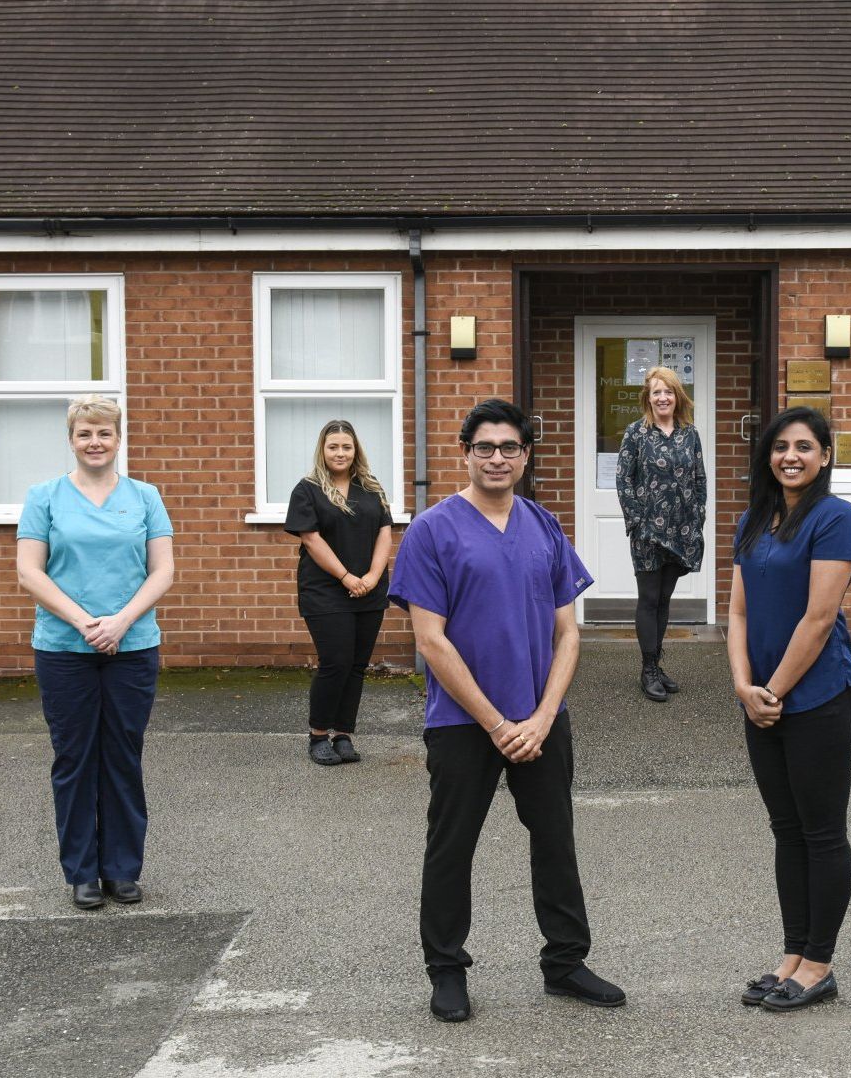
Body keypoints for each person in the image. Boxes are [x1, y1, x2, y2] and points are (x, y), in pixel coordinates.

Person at [388, 399, 625, 1023]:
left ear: (525, 456)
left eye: (510, 448)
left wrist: (544, 716)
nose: (498, 458)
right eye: (485, 447)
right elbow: (430, 639)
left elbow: (568, 634)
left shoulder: (542, 525)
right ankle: (446, 969)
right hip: (465, 723)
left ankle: (566, 962)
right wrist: (496, 723)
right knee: (451, 845)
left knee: (555, 841)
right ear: (465, 453)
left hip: (540, 720)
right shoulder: (432, 530)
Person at [16, 395, 175, 911]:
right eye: (85, 433)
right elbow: (29, 572)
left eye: (104, 433)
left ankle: (122, 870)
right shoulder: (44, 497)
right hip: (65, 648)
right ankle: (83, 872)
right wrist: (85, 621)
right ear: (71, 439)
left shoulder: (145, 496)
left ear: (118, 438)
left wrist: (122, 621)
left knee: (123, 755)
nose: (95, 442)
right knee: (75, 756)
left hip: (132, 648)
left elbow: (163, 571)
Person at [729, 406, 851, 1013]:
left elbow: (819, 618)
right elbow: (737, 612)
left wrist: (772, 691)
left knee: (821, 832)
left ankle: (819, 964)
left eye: (805, 446)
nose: (791, 456)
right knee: (787, 831)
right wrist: (742, 685)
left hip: (816, 697)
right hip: (760, 698)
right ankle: (791, 956)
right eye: (781, 446)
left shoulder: (835, 518)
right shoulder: (755, 519)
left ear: (825, 456)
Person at [283, 420, 393, 766]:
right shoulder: (308, 489)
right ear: (323, 450)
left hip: (370, 590)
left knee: (357, 666)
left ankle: (343, 733)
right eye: (333, 447)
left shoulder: (371, 487)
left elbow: (384, 532)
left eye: (346, 446)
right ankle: (318, 735)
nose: (340, 453)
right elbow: (311, 540)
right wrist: (347, 577)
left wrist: (373, 576)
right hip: (325, 590)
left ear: (355, 450)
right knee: (336, 662)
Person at [616, 366, 707, 701]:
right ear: (648, 397)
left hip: (682, 529)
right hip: (648, 532)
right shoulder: (636, 434)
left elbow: (699, 479)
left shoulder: (689, 434)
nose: (663, 397)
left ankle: (657, 662)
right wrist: (637, 521)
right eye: (657, 392)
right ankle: (648, 669)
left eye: (668, 391)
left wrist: (698, 518)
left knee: (665, 599)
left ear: (676, 396)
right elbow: (623, 480)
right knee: (649, 598)